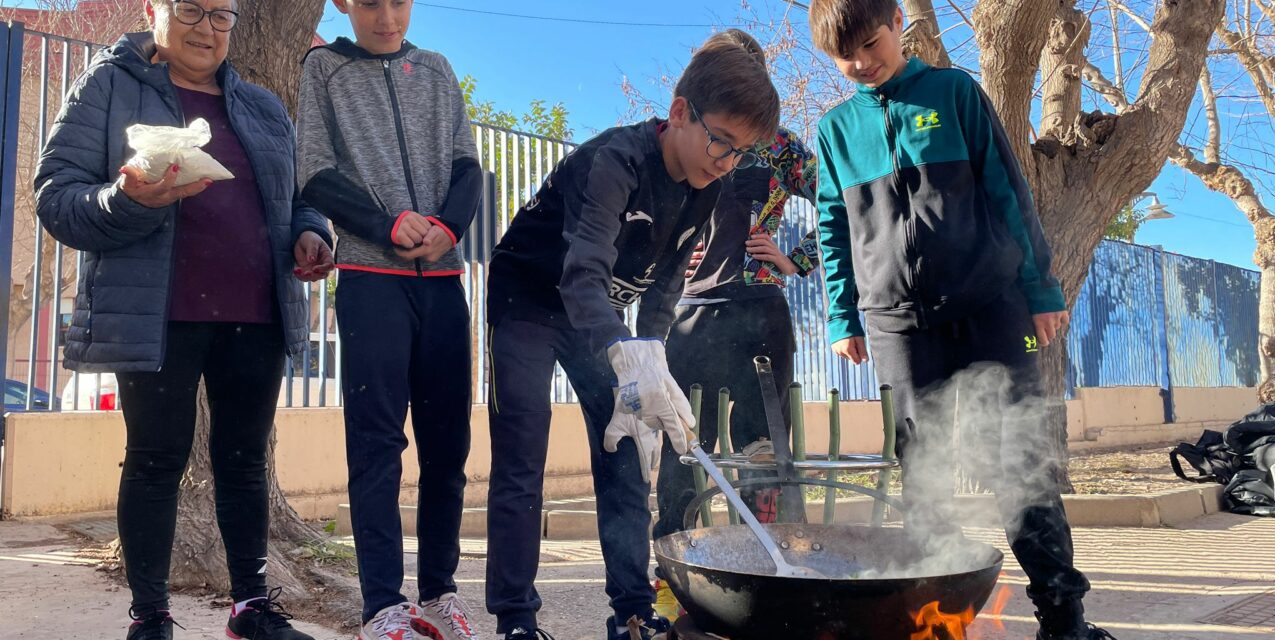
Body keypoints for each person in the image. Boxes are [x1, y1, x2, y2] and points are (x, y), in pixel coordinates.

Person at [807, 2, 1114, 639]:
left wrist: (1040, 288)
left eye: (871, 43)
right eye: (847, 57)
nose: (863, 63)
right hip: (896, 324)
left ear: (897, 22)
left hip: (990, 307)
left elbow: (1008, 189)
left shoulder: (954, 92)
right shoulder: (835, 130)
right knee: (922, 473)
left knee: (1018, 464)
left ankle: (1065, 621)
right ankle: (933, 625)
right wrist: (844, 315)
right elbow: (833, 229)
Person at [34, 1, 334, 639]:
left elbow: (300, 197)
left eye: (221, 15)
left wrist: (310, 233)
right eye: (190, 9)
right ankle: (151, 617)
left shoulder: (261, 105)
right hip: (157, 312)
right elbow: (56, 197)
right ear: (154, 10)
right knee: (154, 460)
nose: (207, 27)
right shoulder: (108, 85)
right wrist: (125, 198)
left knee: (245, 460)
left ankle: (251, 609)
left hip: (256, 312)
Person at [482, 29, 780, 640]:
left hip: (601, 320)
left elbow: (665, 288)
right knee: (523, 451)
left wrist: (654, 363)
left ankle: (633, 612)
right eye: (721, 143)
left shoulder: (712, 188)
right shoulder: (614, 162)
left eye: (740, 153)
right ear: (679, 113)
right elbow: (583, 269)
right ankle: (515, 619)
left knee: (625, 452)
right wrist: (624, 351)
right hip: (531, 302)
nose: (725, 163)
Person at [295, 1, 481, 639]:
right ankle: (383, 605)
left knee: (448, 445)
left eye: (397, 0)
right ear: (344, 3)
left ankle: (439, 593)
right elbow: (314, 172)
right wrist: (384, 224)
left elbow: (467, 166)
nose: (385, 15)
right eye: (369, 1)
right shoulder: (323, 68)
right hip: (372, 279)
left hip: (444, 278)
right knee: (377, 445)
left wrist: (449, 226)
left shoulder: (436, 69)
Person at [651, 111, 820, 619]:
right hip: (689, 314)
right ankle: (674, 588)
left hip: (760, 312)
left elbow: (841, 198)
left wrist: (796, 259)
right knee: (682, 453)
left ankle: (765, 585)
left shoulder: (781, 145)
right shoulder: (687, 138)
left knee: (763, 455)